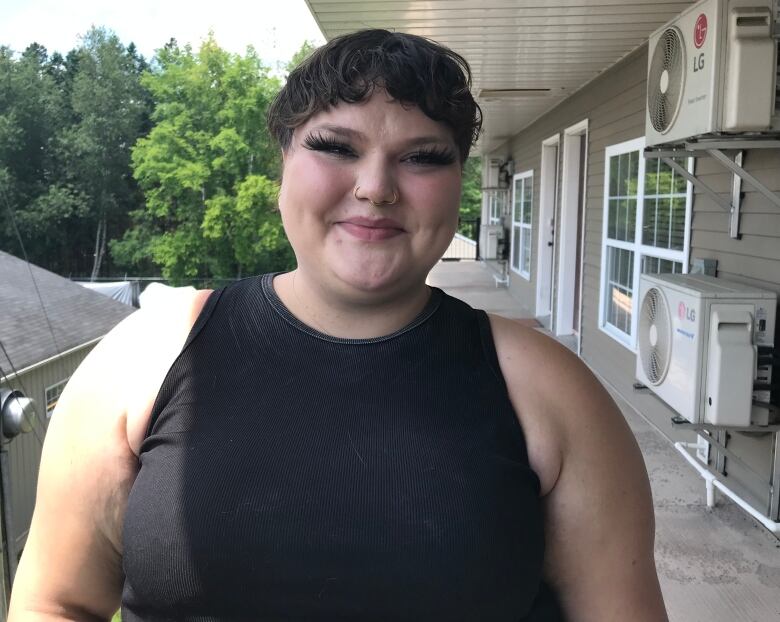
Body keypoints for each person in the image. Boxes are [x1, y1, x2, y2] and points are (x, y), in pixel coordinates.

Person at [9, 29, 668, 621]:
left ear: (460, 181)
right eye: (334, 146)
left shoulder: (551, 392)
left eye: (423, 157)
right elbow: (54, 603)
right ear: (281, 171)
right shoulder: (146, 358)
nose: (376, 186)